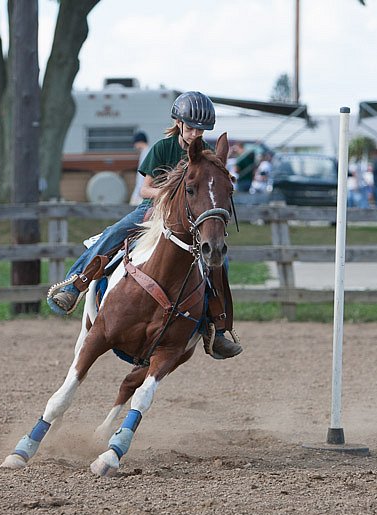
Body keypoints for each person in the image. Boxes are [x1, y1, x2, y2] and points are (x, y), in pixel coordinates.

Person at [48, 91, 242, 359]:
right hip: (153, 209)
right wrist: (170, 195)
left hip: (189, 219)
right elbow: (145, 189)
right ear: (179, 122)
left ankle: (216, 329)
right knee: (115, 233)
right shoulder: (162, 148)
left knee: (221, 262)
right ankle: (74, 284)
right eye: (192, 127)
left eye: (202, 129)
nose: (196, 133)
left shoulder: (207, 154)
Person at [128, 131, 150, 205]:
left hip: (143, 191)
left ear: (139, 142)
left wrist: (135, 194)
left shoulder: (146, 154)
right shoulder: (146, 152)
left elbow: (141, 177)